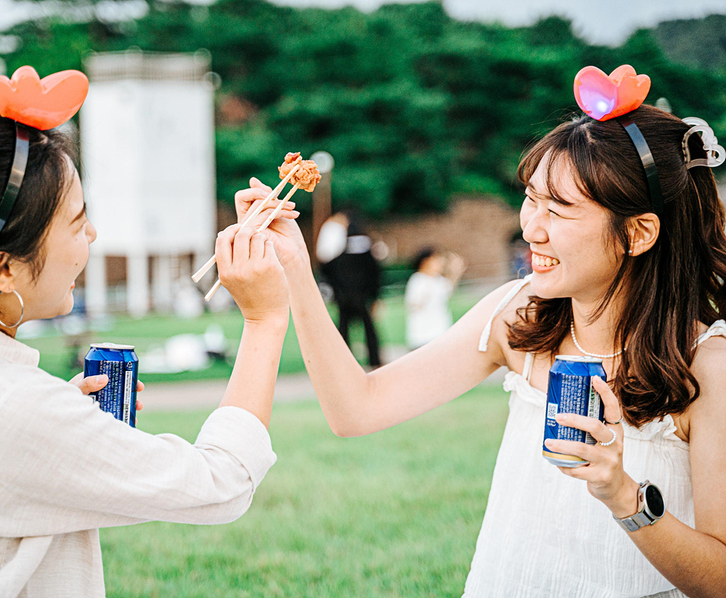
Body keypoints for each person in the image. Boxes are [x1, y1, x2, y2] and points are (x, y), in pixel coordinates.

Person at [232, 65, 726, 596]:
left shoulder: (707, 365)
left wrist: (625, 496)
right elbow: (357, 409)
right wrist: (296, 267)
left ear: (638, 232)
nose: (531, 226)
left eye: (559, 208)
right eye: (532, 197)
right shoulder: (518, 317)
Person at [0, 68, 296, 597]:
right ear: (1, 269)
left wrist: (59, 421)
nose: (92, 235)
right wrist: (264, 319)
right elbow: (222, 483)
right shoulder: (6, 408)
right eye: (76, 221)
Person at [316, 211, 383, 367]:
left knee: (343, 330)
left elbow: (327, 268)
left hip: (344, 297)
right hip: (362, 297)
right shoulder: (367, 251)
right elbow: (375, 274)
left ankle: (343, 362)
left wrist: (335, 292)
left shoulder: (341, 250)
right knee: (369, 329)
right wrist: (374, 295)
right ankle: (374, 360)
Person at [405, 247, 466, 349]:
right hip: (423, 337)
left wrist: (455, 271)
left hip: (440, 333)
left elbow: (449, 289)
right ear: (426, 262)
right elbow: (414, 305)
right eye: (436, 260)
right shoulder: (417, 280)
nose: (441, 263)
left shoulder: (439, 280)